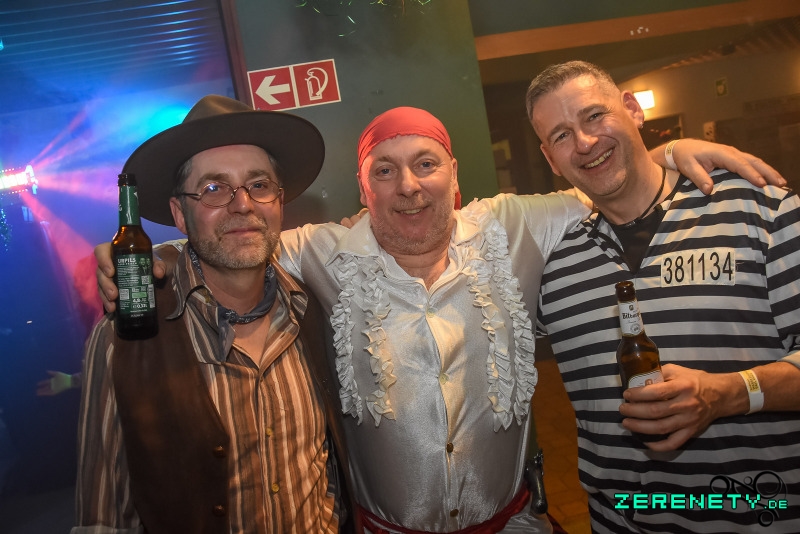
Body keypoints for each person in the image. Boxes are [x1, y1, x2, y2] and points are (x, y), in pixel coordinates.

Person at [95, 102, 782, 533]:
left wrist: (664, 153)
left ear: (454, 176)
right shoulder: (321, 252)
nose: (408, 187)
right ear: (363, 188)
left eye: (425, 165)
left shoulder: (515, 226)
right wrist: (148, 258)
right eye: (384, 171)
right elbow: (234, 243)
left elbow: (610, 183)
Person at [528, 60, 800, 533]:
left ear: (632, 109)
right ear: (550, 159)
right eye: (562, 135)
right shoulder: (551, 266)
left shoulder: (761, 211)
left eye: (595, 116)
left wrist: (729, 393)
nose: (585, 142)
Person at [73, 95, 351, 534]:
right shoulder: (124, 340)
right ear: (180, 215)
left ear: (279, 202)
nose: (243, 205)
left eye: (259, 185)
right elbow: (103, 519)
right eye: (214, 189)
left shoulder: (313, 310)